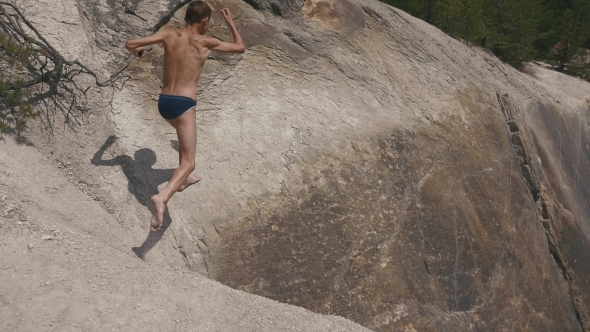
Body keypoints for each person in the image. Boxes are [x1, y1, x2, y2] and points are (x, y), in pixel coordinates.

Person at [125, 1, 245, 231]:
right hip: (184, 104)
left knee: (183, 138)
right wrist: (231, 24)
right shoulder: (206, 42)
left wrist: (137, 51)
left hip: (164, 103)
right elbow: (240, 47)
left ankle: (183, 181)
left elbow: (130, 43)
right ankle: (163, 197)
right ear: (205, 21)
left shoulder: (169, 35)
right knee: (189, 162)